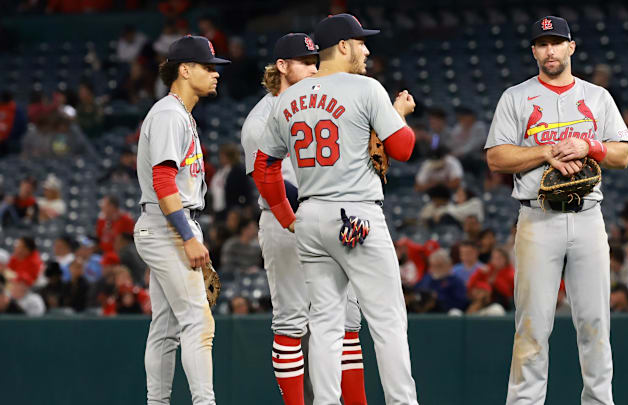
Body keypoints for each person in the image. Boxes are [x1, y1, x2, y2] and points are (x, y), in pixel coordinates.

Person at [252, 14, 419, 405]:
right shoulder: (366, 88)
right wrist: (397, 117)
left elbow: (264, 167)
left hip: (310, 216)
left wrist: (286, 215)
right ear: (343, 46)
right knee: (388, 321)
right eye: (361, 42)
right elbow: (404, 149)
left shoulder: (287, 99)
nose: (366, 49)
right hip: (357, 213)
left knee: (324, 325)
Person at [485, 16, 628, 405]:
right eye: (542, 43)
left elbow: (622, 153)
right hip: (537, 218)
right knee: (532, 325)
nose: (549, 50)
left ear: (571, 47)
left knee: (595, 322)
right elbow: (497, 158)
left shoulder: (597, 96)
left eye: (556, 42)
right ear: (534, 51)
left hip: (587, 217)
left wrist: (590, 147)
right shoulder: (516, 97)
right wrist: (545, 150)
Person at [242, 32, 368, 405]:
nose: (314, 69)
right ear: (282, 66)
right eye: (305, 62)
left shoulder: (322, 104)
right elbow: (272, 185)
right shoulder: (261, 119)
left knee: (348, 322)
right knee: (292, 322)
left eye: (316, 62)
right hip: (285, 222)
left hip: (329, 217)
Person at [133, 35, 229, 405]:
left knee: (167, 326)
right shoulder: (171, 114)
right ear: (185, 70)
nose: (215, 73)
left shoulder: (177, 113)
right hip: (169, 225)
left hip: (165, 223)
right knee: (197, 323)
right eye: (208, 67)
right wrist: (188, 235)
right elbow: (162, 181)